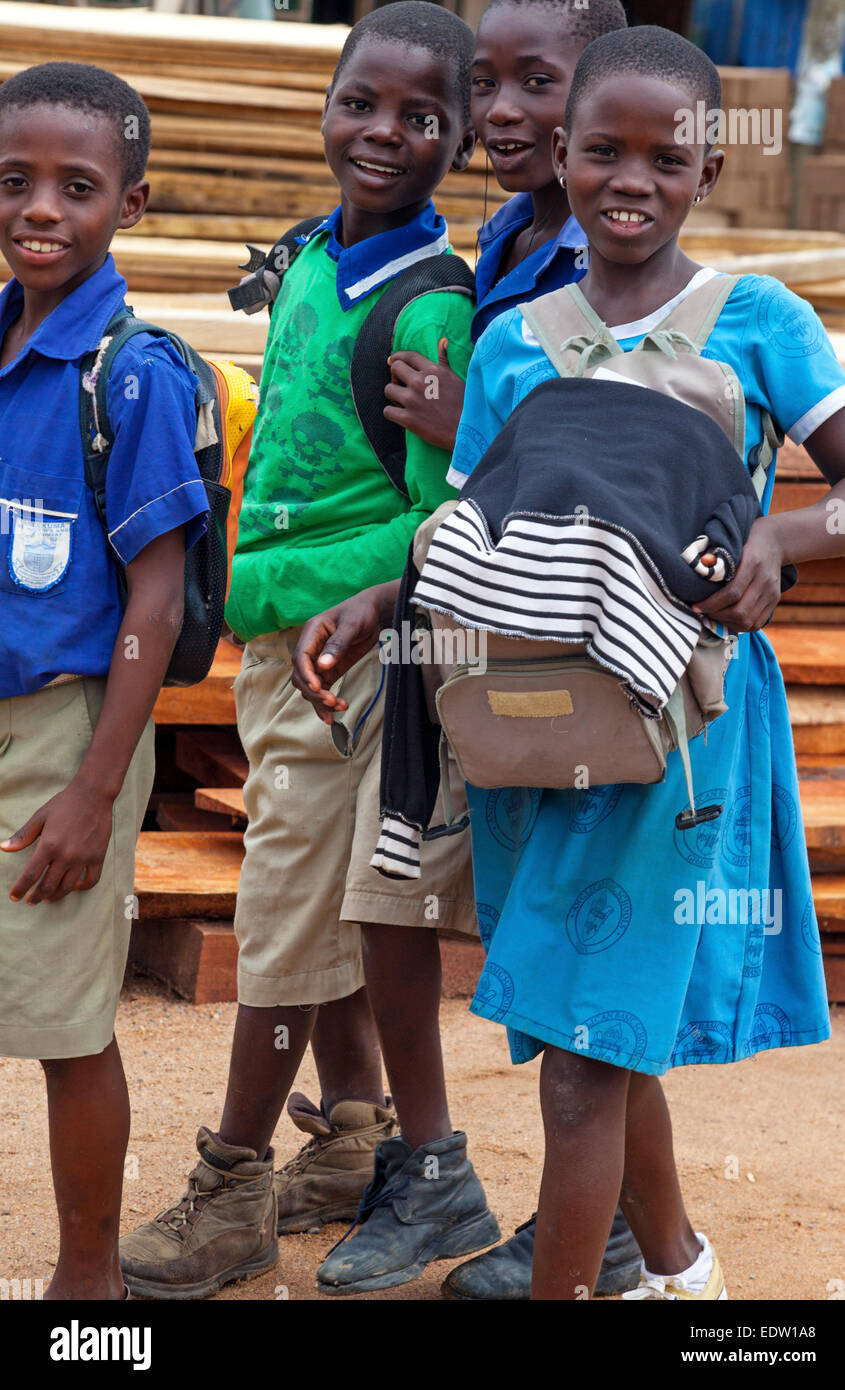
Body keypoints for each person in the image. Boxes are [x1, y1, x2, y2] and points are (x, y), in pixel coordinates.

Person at [441, 25, 845, 1300]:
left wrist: (784, 533)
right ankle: (673, 1270)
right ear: (557, 161)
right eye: (601, 152)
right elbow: (469, 524)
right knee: (586, 1025)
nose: (630, 179)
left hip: (685, 720)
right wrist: (376, 607)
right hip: (532, 717)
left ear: (707, 174)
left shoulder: (757, 319)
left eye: (663, 157)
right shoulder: (514, 338)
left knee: (581, 1050)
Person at [119, 2, 498, 1301]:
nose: (383, 132)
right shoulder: (312, 259)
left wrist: (338, 596)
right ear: (324, 103)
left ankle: (229, 1183)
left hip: (362, 651)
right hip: (283, 637)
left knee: (279, 909)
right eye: (361, 102)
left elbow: (450, 511)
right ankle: (350, 1139)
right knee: (324, 894)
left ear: (460, 137)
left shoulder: (433, 307)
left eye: (422, 116)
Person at [294, 0, 642, 1300]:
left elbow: (609, 467)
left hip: (546, 649)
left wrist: (468, 423)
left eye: (532, 83)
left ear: (596, 87)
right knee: (391, 899)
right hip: (440, 623)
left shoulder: (610, 263)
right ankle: (435, 1165)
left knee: (564, 938)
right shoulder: (499, 236)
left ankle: (601, 1227)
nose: (497, 112)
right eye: (482, 84)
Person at [0, 62, 210, 1301]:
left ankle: (92, 1289)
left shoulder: (131, 374)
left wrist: (93, 792)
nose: (40, 209)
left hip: (69, 734)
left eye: (76, 188)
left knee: (66, 1023)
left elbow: (157, 597)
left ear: (130, 203)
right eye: (15, 181)